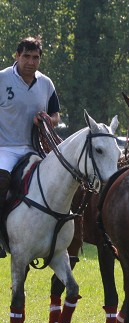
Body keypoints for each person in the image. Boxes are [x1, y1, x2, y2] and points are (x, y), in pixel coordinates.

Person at [0, 36, 61, 258]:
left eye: (35, 57)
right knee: (2, 181)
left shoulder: (46, 83)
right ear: (17, 56)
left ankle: (55, 236)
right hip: (5, 148)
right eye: (26, 56)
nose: (31, 62)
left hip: (33, 149)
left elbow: (56, 115)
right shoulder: (2, 79)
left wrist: (47, 119)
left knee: (58, 181)